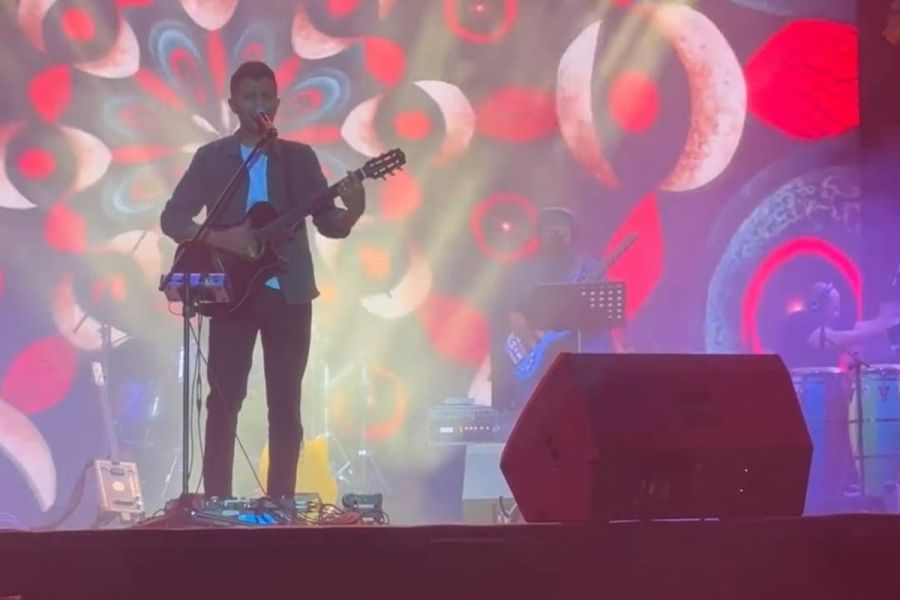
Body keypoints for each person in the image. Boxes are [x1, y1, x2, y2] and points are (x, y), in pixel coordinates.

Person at [159, 61, 365, 500]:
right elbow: (173, 218)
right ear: (233, 105)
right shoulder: (212, 158)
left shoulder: (299, 158)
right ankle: (217, 501)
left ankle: (281, 504)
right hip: (230, 293)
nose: (258, 105)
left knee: (285, 405)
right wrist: (223, 238)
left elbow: (328, 221)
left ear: (277, 103)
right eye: (249, 97)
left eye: (265, 97)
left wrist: (353, 212)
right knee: (223, 400)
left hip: (288, 293)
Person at [492, 207, 618, 411]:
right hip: (536, 368)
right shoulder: (524, 271)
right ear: (539, 233)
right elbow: (509, 311)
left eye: (560, 225)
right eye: (548, 226)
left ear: (573, 233)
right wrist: (526, 332)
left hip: (579, 366)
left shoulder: (590, 269)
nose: (553, 230)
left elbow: (603, 321)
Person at [777, 281, 895, 369]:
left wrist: (889, 324)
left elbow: (857, 329)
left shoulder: (830, 325)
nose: (837, 315)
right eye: (835, 309)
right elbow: (825, 339)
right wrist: (872, 332)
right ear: (816, 305)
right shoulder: (800, 320)